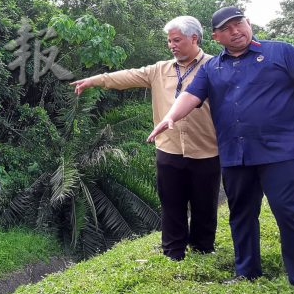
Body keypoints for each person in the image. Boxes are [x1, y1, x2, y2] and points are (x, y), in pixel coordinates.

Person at [147, 6, 294, 294]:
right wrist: (170, 117)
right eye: (227, 29)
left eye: (239, 24)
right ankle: (247, 271)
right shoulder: (212, 67)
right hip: (235, 154)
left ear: (248, 23)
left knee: (290, 212)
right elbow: (191, 96)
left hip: (280, 153)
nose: (235, 31)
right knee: (241, 214)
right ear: (216, 36)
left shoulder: (281, 52)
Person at [71, 16, 220, 261]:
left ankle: (203, 248)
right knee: (172, 203)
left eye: (177, 40)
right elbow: (126, 76)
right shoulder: (159, 70)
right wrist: (95, 80)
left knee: (205, 203)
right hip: (169, 148)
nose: (171, 45)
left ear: (194, 38)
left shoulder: (214, 66)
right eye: (169, 41)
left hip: (206, 148)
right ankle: (173, 250)